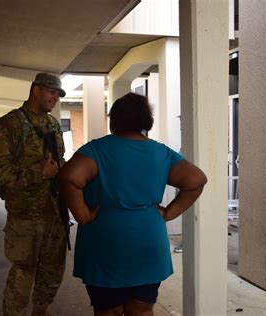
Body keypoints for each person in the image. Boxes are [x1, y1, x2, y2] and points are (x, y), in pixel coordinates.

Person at [58, 92, 207, 316]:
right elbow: (196, 180)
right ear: (146, 121)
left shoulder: (96, 150)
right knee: (143, 309)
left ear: (114, 120)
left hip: (106, 241)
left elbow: (69, 177)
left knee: (109, 310)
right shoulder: (161, 152)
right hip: (148, 239)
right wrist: (168, 213)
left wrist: (83, 215)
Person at [0, 72, 68, 316]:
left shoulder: (53, 124)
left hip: (54, 212)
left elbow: (59, 160)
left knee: (52, 272)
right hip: (25, 216)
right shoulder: (10, 123)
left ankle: (40, 311)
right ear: (36, 90)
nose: (55, 98)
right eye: (52, 92)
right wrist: (39, 173)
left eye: (58, 94)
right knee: (23, 273)